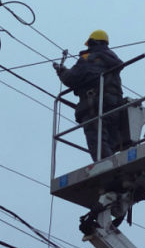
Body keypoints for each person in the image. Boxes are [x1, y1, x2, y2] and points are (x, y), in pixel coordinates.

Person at [53, 30, 124, 162]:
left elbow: (71, 78)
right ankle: (115, 163)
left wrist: (61, 71)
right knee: (110, 142)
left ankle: (108, 167)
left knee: (96, 139)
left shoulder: (88, 58)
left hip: (96, 105)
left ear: (93, 42)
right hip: (114, 106)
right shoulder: (112, 59)